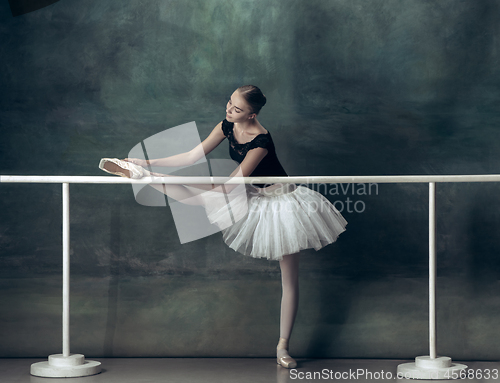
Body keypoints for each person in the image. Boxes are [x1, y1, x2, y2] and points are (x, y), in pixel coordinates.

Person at [99, 85, 348, 368]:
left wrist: (179, 180)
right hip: (252, 193)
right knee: (202, 199)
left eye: (237, 109)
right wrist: (146, 160)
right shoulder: (227, 125)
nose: (229, 110)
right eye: (229, 103)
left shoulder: (261, 143)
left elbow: (230, 187)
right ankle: (144, 172)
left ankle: (283, 348)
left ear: (252, 115)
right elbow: (192, 156)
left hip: (282, 202)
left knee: (288, 279)